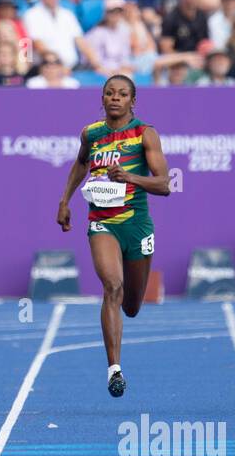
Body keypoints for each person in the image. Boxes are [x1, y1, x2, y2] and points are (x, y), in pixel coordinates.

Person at [56, 75, 170, 398]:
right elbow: (80, 165)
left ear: (133, 101)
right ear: (102, 98)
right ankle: (114, 370)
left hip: (136, 225)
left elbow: (164, 185)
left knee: (131, 306)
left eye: (122, 94)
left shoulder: (145, 134)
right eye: (109, 93)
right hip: (102, 222)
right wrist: (65, 200)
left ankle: (125, 316)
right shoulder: (91, 133)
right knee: (112, 287)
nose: (115, 98)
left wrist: (130, 177)